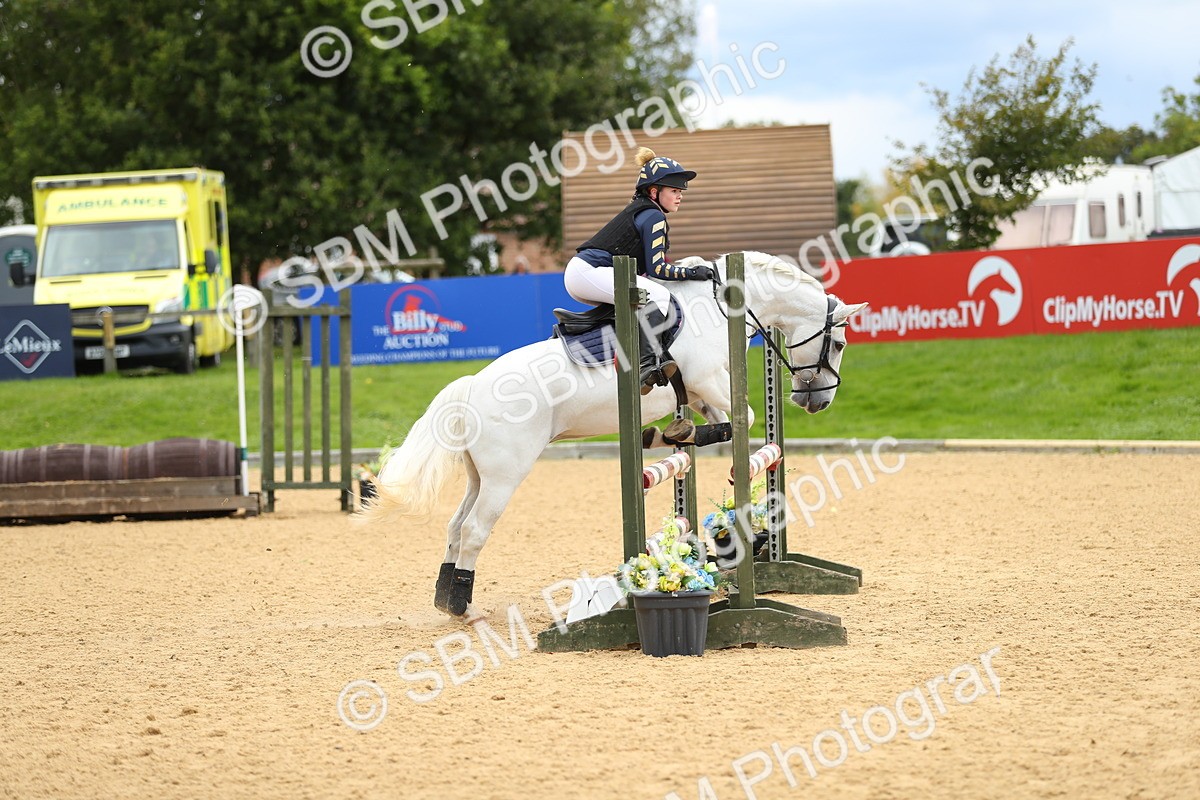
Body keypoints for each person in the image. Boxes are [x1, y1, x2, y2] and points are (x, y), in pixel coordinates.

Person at [564, 147, 715, 393]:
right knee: (658, 295)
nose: (680, 196)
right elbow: (657, 269)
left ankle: (643, 355)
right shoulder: (653, 216)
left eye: (681, 191)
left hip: (586, 273)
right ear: (654, 191)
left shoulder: (645, 212)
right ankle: (645, 365)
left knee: (648, 296)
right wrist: (691, 273)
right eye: (675, 190)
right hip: (589, 272)